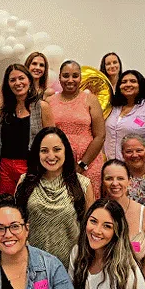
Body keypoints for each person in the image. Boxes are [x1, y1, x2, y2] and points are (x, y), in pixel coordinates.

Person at [16, 127, 94, 269]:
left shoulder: (83, 185)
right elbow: (18, 225)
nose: (51, 156)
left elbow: (89, 230)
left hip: (71, 267)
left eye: (57, 149)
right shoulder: (24, 181)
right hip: (32, 265)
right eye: (44, 150)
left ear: (66, 151)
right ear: (37, 153)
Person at [50, 60, 105, 198]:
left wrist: (82, 164)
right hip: (59, 163)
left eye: (75, 76)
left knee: (89, 204)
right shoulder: (50, 101)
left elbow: (100, 135)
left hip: (89, 164)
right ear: (59, 77)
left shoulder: (90, 99)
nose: (70, 80)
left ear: (80, 78)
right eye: (66, 75)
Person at [100, 160, 145, 285]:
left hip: (136, 288)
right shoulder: (96, 213)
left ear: (129, 181)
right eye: (109, 178)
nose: (115, 183)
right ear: (102, 182)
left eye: (120, 178)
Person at [0, 64, 54, 195]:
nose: (18, 83)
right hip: (5, 168)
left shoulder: (42, 107)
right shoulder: (4, 109)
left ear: (29, 80)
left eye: (21, 78)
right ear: (8, 84)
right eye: (12, 80)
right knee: (8, 207)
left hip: (31, 167)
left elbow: (52, 140)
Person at [105, 70, 145, 159]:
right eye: (124, 82)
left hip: (142, 165)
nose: (128, 84)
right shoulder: (113, 107)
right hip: (114, 166)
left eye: (133, 81)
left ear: (141, 85)